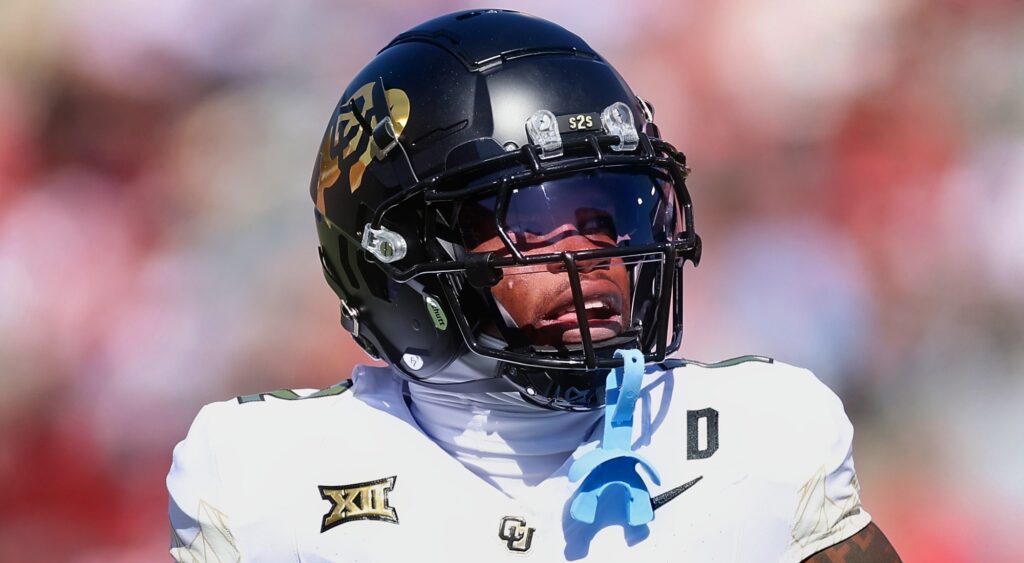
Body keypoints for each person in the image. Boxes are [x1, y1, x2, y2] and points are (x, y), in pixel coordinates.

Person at [167, 9, 901, 562]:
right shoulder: (263, 476)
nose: (594, 252)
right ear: (397, 253)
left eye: (610, 211)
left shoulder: (762, 434)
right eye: (537, 218)